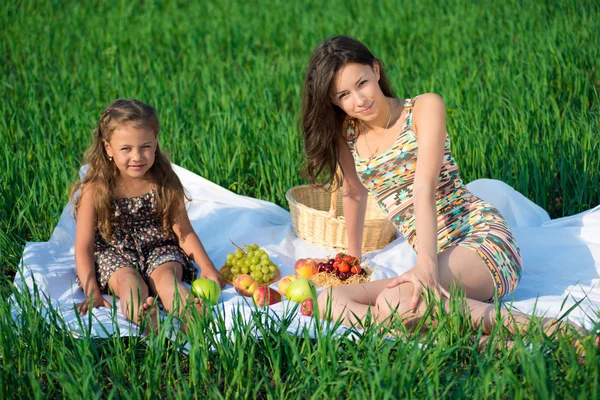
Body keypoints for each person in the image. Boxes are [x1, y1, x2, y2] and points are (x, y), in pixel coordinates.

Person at [300, 35, 588, 346]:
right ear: (333, 101)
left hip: (480, 239)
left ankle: (551, 328)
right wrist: (353, 262)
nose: (359, 99)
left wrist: (425, 267)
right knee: (326, 300)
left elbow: (422, 189)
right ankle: (485, 344)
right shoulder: (349, 134)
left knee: (395, 302)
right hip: (437, 252)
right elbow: (353, 192)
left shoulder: (424, 108)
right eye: (344, 94)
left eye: (362, 83)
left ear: (377, 71)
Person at [71, 99, 224, 332]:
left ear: (155, 144)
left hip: (158, 246)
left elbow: (184, 232)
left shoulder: (163, 180)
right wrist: (91, 289)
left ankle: (190, 312)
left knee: (168, 280)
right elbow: (84, 245)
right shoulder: (96, 188)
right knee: (129, 285)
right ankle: (144, 315)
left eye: (145, 147)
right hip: (116, 252)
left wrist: (208, 267)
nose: (137, 156)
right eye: (126, 148)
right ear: (108, 148)